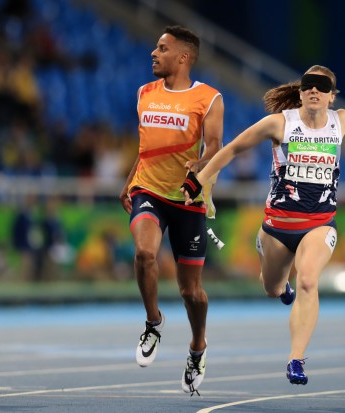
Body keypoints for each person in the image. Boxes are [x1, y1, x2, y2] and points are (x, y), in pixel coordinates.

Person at [181, 65, 345, 385]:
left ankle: (296, 359)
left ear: (331, 95)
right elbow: (232, 149)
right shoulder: (280, 123)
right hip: (277, 226)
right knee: (271, 289)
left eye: (322, 87)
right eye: (309, 85)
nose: (314, 90)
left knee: (309, 281)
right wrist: (199, 181)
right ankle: (280, 284)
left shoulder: (340, 121)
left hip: (319, 224)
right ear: (300, 92)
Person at [119, 25, 224, 395]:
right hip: (148, 190)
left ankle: (198, 347)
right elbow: (148, 146)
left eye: (161, 48)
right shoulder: (144, 93)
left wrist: (198, 170)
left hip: (188, 200)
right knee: (145, 253)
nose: (153, 53)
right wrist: (131, 178)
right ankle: (153, 323)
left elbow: (214, 147)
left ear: (183, 57)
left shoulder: (208, 98)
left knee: (190, 292)